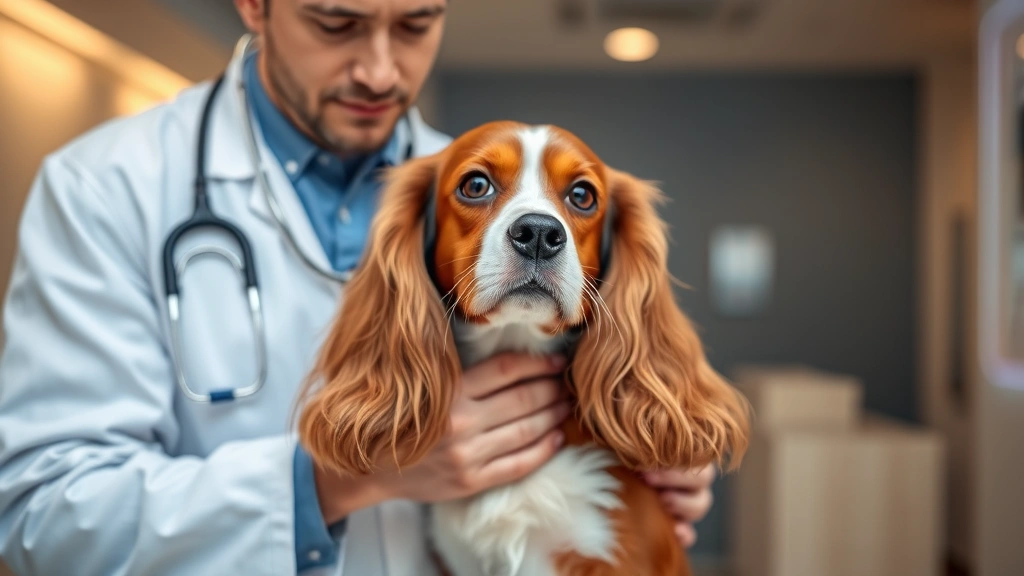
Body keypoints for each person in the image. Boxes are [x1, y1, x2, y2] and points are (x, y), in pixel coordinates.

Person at [0, 1, 717, 574]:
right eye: (335, 22)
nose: (380, 72)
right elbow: (42, 521)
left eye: (415, 24)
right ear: (254, 4)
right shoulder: (104, 187)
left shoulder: (469, 182)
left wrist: (651, 447)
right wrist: (333, 481)